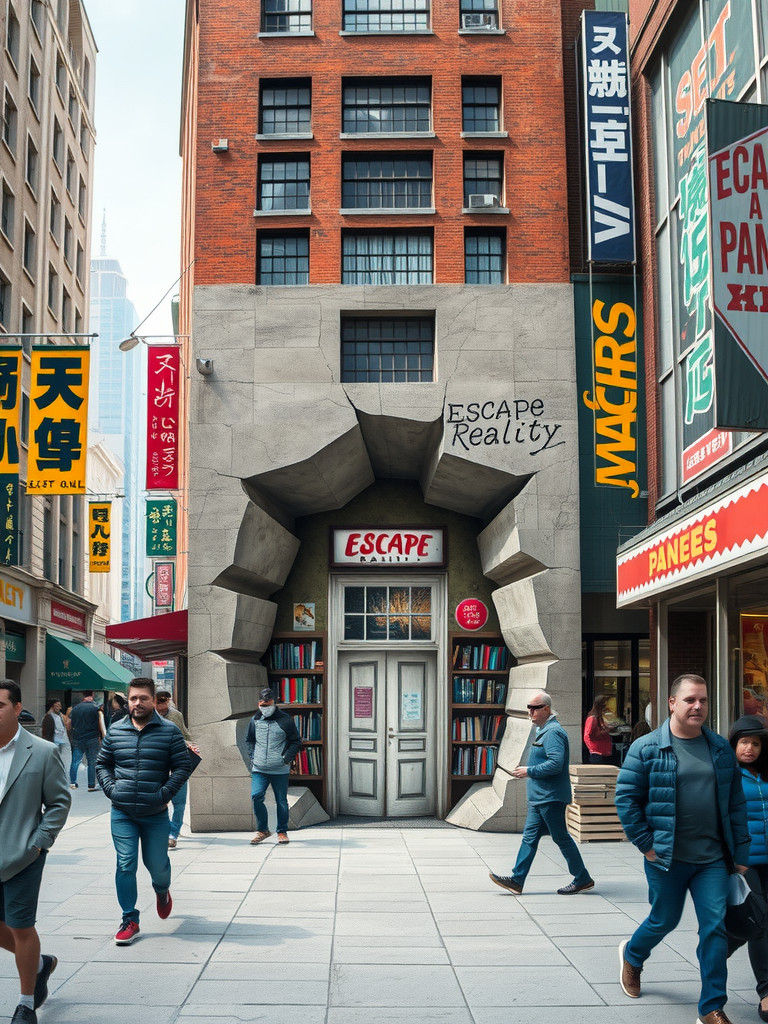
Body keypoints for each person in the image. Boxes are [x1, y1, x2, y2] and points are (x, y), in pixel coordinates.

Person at [615, 673, 750, 1024]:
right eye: (690, 700)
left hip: (713, 861)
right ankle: (632, 955)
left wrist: (741, 855)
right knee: (664, 920)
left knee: (714, 928)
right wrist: (645, 844)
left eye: (703, 700)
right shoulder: (646, 748)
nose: (698, 706)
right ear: (672, 703)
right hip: (666, 858)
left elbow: (735, 804)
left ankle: (711, 1007)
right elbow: (626, 799)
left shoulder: (720, 748)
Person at [95, 677, 192, 946]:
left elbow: (182, 767)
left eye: (143, 698)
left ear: (153, 700)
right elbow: (102, 764)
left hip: (155, 813)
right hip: (122, 812)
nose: (137, 703)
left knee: (157, 866)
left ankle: (162, 891)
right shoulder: (116, 730)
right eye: (133, 698)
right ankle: (130, 919)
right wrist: (112, 790)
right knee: (125, 863)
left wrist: (164, 793)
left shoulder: (170, 731)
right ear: (128, 700)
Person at [0, 680, 71, 1024]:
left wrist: (39, 842)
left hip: (22, 856)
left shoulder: (42, 751)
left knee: (20, 927)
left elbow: (58, 803)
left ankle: (26, 1004)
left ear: (17, 708)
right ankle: (41, 964)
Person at [488, 690, 594, 896]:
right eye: (528, 707)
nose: (530, 712)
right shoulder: (544, 730)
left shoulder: (553, 732)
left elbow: (556, 764)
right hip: (539, 798)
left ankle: (582, 877)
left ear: (546, 709)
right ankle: (517, 880)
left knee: (561, 838)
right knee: (530, 838)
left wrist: (529, 771)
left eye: (535, 708)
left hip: (550, 797)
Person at [727, 714, 768, 1022]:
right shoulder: (727, 775)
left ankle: (714, 952)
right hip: (746, 860)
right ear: (734, 744)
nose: (750, 749)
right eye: (744, 742)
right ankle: (766, 993)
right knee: (761, 920)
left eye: (755, 743)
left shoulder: (765, 774)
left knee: (754, 924)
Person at [245, 688, 302, 846]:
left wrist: (286, 759)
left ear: (274, 703)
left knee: (281, 801)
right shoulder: (254, 720)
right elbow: (249, 740)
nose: (265, 708)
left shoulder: (285, 720)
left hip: (279, 769)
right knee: (256, 796)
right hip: (259, 768)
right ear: (258, 703)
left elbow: (296, 741)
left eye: (268, 704)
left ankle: (282, 831)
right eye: (262, 705)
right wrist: (253, 756)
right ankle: (263, 830)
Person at [155, 690, 195, 849]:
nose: (161, 704)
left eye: (163, 701)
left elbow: (186, 736)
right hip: (157, 767)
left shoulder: (176, 716)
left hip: (178, 764)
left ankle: (173, 833)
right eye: (158, 701)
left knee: (179, 802)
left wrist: (189, 744)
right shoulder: (147, 717)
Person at [68, 691, 104, 791]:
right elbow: (100, 724)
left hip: (77, 738)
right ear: (92, 695)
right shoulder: (96, 708)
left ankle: (72, 783)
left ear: (83, 696)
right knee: (92, 762)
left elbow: (68, 724)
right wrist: (101, 737)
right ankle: (91, 785)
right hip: (92, 738)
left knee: (75, 761)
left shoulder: (75, 709)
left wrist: (70, 735)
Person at [583, 695, 614, 764]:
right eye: (605, 705)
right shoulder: (592, 718)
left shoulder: (600, 717)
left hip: (605, 752)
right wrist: (592, 749)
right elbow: (587, 736)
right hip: (597, 753)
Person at [40, 700, 68, 771]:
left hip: (59, 742)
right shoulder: (49, 717)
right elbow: (46, 732)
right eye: (58, 705)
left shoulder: (58, 716)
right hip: (53, 742)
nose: (60, 707)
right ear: (53, 706)